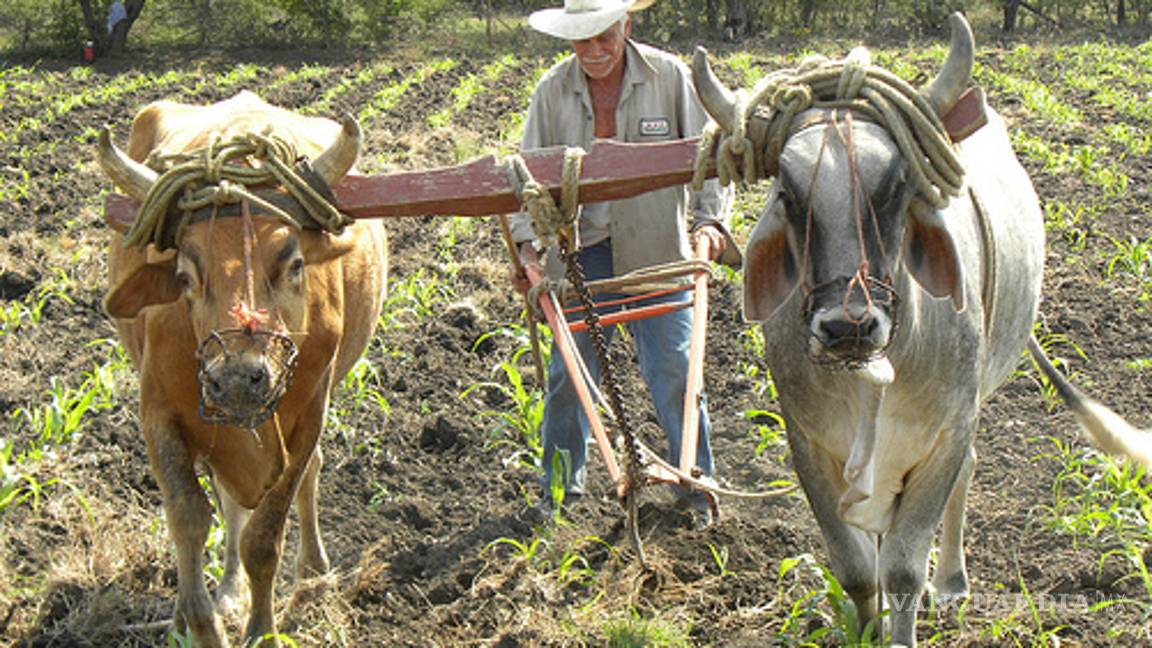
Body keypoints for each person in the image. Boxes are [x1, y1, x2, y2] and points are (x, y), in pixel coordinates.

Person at [510, 0, 740, 529]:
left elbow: (710, 156)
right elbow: (524, 178)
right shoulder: (552, 91)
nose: (593, 51)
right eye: (581, 40)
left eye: (604, 37)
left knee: (676, 371)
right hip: (581, 253)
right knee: (569, 376)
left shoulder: (670, 77)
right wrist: (527, 250)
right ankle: (559, 492)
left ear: (627, 26)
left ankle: (696, 486)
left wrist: (710, 223)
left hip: (658, 250)